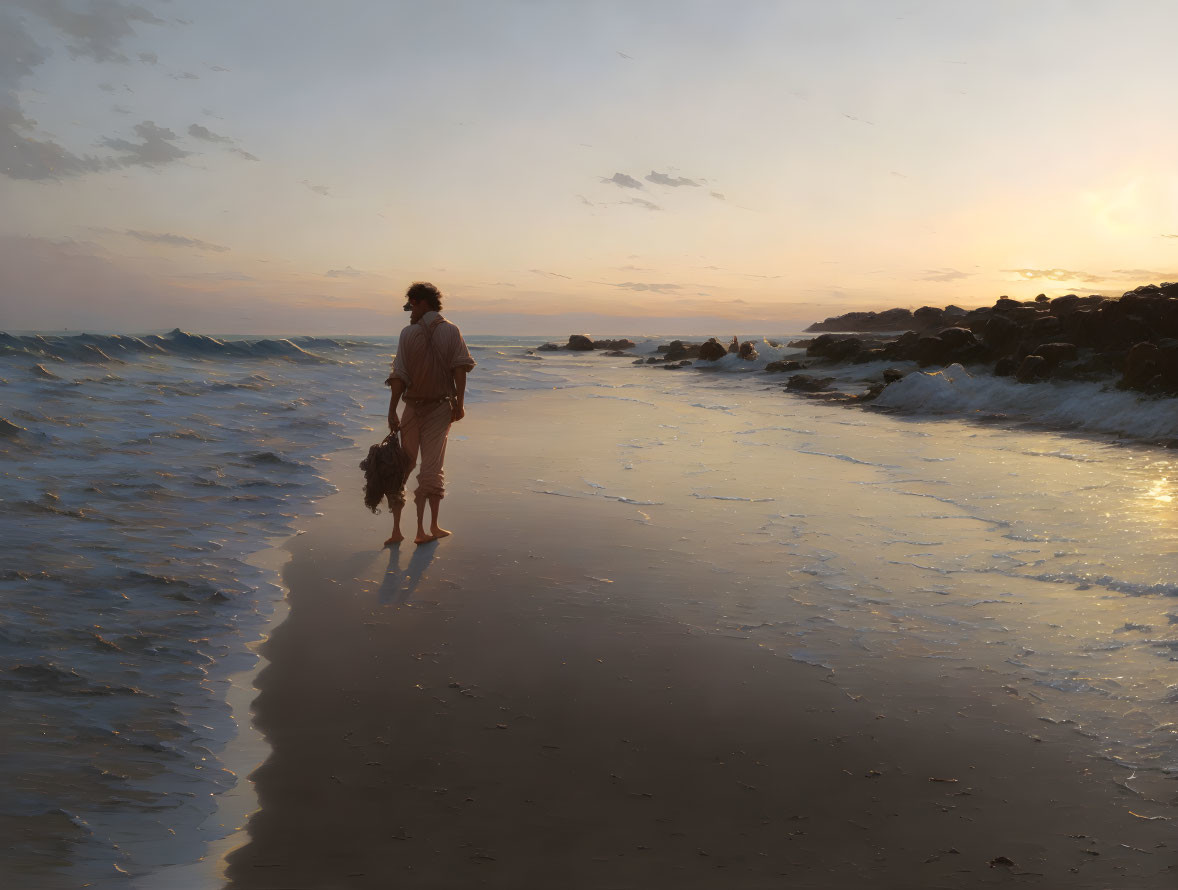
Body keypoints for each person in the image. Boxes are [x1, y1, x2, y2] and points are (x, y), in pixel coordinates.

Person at [384, 282, 476, 545]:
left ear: (421, 303)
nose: (409, 312)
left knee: (404, 466)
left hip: (411, 407)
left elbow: (398, 376)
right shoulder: (451, 331)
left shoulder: (407, 334)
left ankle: (396, 531)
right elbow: (460, 368)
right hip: (438, 408)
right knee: (432, 468)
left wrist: (392, 411)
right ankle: (429, 528)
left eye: (410, 305)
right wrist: (459, 403)